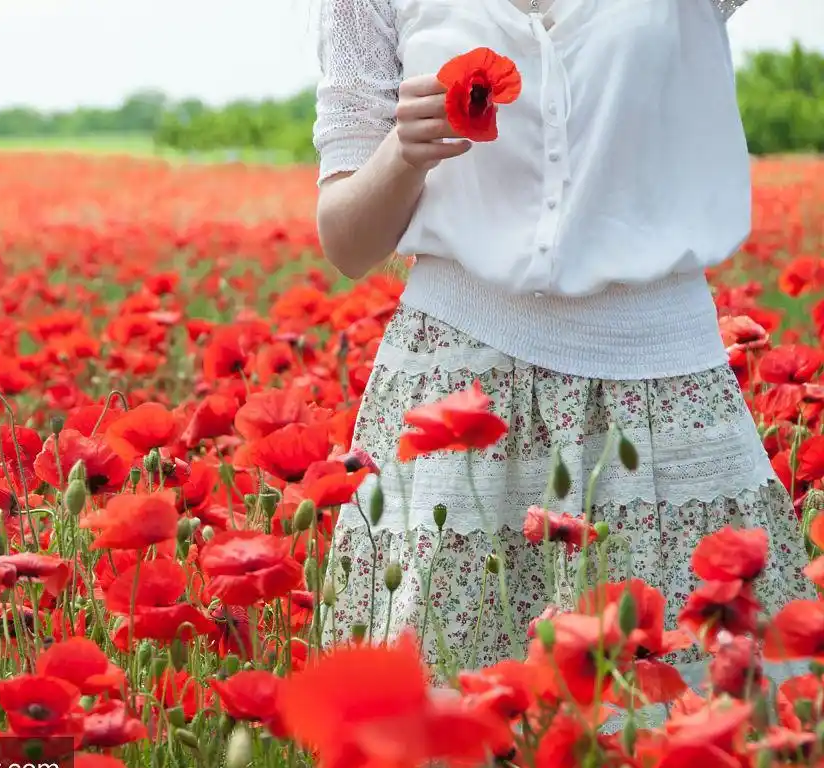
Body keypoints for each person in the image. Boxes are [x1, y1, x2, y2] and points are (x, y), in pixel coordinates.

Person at [314, 0, 814, 679]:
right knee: (461, 741)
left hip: (662, 396)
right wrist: (402, 155)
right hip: (460, 402)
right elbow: (347, 243)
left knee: (676, 714)